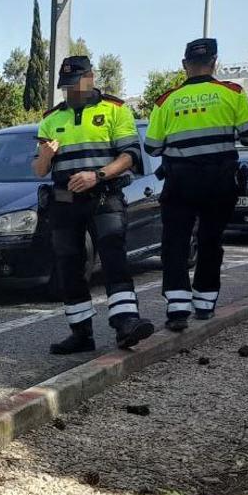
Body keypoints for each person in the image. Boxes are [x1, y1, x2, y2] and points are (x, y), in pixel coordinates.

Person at [33, 55, 155, 354]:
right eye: (66, 87)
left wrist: (97, 175)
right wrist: (47, 155)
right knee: (69, 266)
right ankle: (81, 334)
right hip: (64, 202)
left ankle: (126, 324)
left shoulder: (115, 110)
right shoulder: (51, 118)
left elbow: (130, 157)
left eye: (76, 84)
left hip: (104, 196)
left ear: (91, 77)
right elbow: (39, 170)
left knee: (114, 259)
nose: (71, 92)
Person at [145, 38, 248, 331]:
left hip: (181, 181)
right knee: (211, 241)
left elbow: (152, 147)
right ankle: (205, 305)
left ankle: (177, 309)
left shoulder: (166, 101)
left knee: (175, 243)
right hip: (220, 182)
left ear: (185, 65)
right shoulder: (231, 93)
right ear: (214, 62)